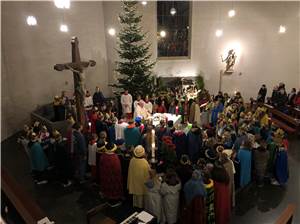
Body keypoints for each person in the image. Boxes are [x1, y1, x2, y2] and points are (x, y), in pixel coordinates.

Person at [99, 142, 123, 207]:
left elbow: (101, 166)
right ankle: (113, 201)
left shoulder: (103, 155)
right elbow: (118, 169)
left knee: (107, 186)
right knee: (113, 188)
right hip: (113, 177)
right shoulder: (114, 157)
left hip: (105, 175)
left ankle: (107, 197)